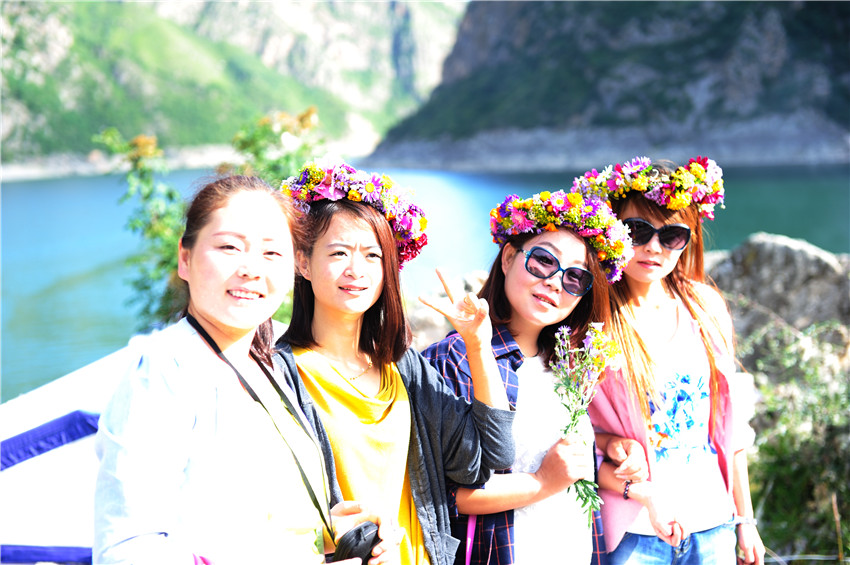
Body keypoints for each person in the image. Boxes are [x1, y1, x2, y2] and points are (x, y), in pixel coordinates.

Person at [94, 175, 399, 565]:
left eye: (272, 253)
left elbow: (242, 527)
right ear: (185, 258)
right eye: (229, 247)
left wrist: (327, 535)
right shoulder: (164, 372)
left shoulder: (268, 361)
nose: (251, 269)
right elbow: (127, 551)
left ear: (294, 267)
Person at [276, 161, 517, 565]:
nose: (356, 270)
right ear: (303, 262)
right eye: (338, 252)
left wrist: (478, 344)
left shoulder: (404, 368)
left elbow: (491, 457)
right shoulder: (280, 374)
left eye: (372, 255)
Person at [423, 189, 641, 565]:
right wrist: (541, 483)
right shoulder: (456, 358)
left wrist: (612, 451)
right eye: (543, 261)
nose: (555, 282)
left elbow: (563, 464)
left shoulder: (568, 364)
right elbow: (441, 493)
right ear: (509, 257)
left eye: (576, 277)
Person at [579, 157, 766, 564]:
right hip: (632, 531)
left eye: (672, 235)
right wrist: (611, 445)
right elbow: (567, 430)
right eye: (637, 231)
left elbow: (730, 425)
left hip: (712, 522)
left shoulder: (705, 306)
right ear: (611, 230)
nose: (653, 247)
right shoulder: (591, 318)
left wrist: (745, 520)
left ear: (688, 240)